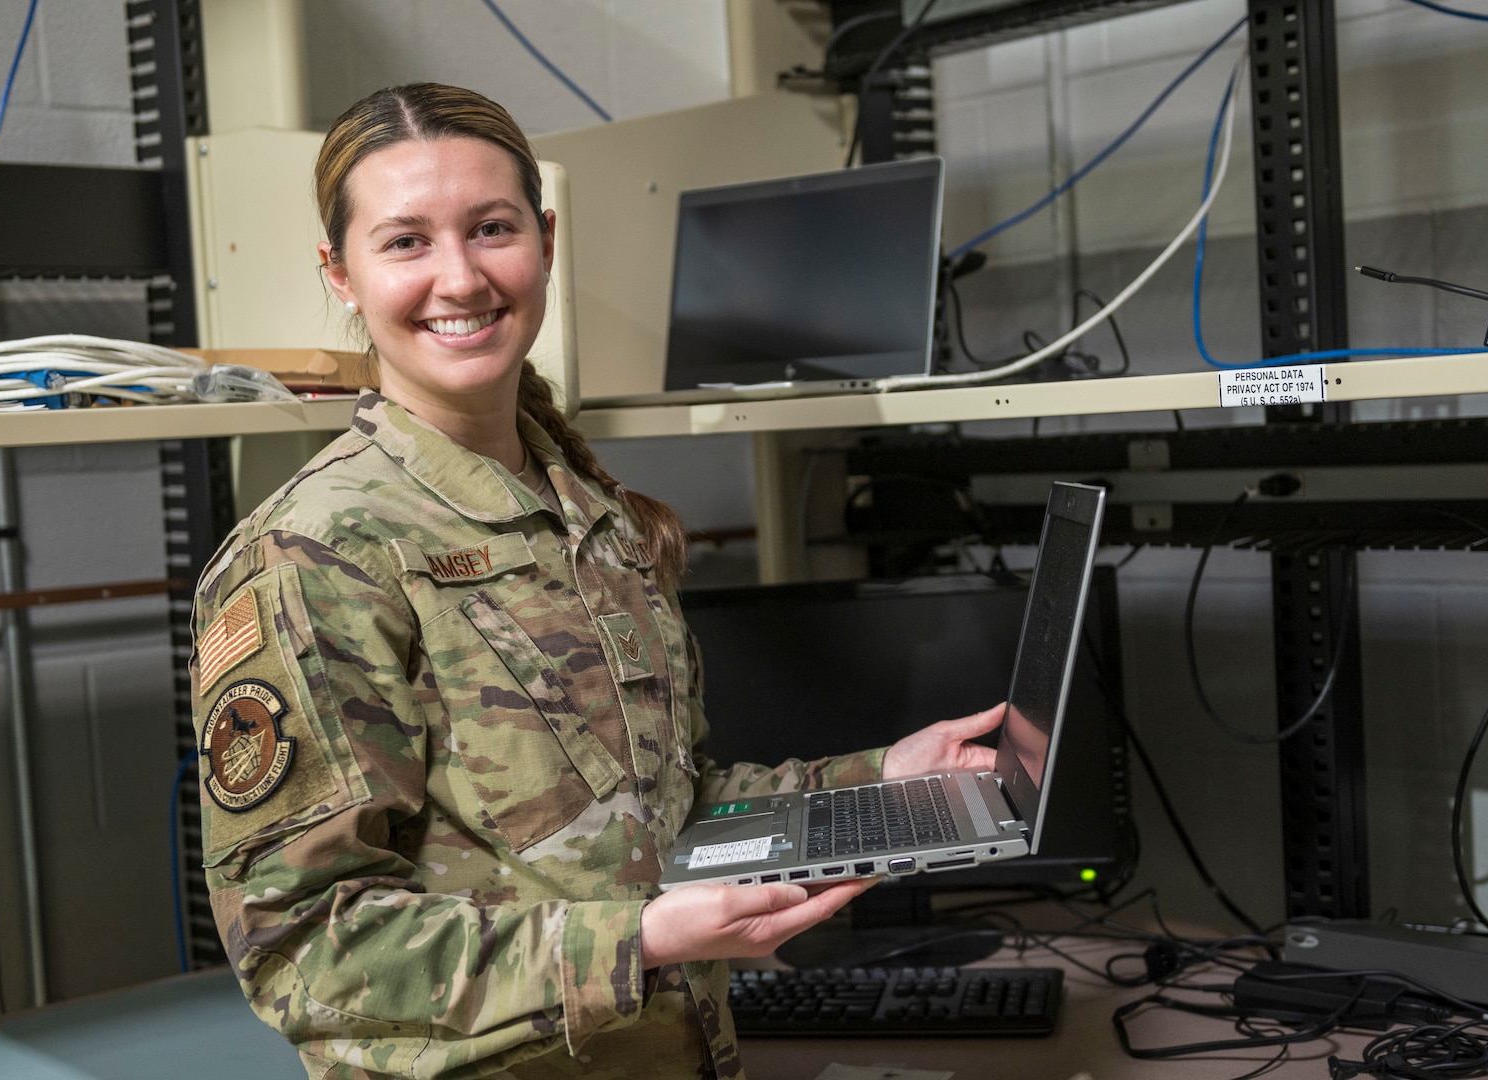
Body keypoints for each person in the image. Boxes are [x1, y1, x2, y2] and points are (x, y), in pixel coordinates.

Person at [190, 82, 1005, 1080]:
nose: (460, 277)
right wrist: (647, 942)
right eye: (406, 241)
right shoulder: (316, 552)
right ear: (342, 274)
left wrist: (878, 780)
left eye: (491, 229)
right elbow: (306, 952)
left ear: (545, 238)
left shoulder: (589, 513)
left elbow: (664, 813)